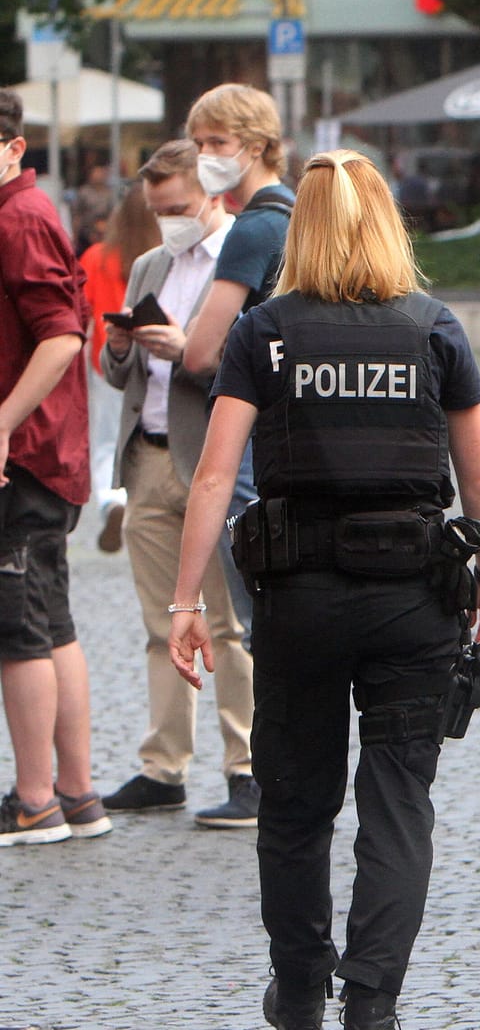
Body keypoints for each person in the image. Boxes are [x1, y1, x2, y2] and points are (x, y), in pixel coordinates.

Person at [169, 149, 480, 1030]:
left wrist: (184, 606)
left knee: (295, 801)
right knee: (398, 800)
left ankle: (299, 988)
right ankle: (373, 996)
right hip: (415, 600)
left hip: (300, 601)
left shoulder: (265, 331)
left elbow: (212, 480)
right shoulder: (433, 327)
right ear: (387, 222)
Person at [97, 141, 258, 827]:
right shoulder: (148, 266)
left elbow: (244, 372)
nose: (169, 222)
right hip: (149, 458)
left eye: (180, 209)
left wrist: (187, 353)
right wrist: (125, 347)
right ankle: (163, 765)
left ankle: (247, 765)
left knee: (225, 625)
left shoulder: (240, 263)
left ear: (212, 194)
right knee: (158, 622)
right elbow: (115, 375)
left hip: (211, 465)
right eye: (158, 211)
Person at [0, 87, 106, 846]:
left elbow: (61, 337)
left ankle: (34, 800)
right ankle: (75, 795)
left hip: (27, 454)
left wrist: (1, 423)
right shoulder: (24, 214)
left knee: (19, 630)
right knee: (51, 621)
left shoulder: (18, 217)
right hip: (45, 451)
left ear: (14, 147)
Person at [182, 82, 294, 643]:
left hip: (247, 434)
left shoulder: (252, 227)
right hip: (298, 429)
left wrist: (173, 344)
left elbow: (200, 351)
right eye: (198, 142)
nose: (205, 155)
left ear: (256, 145)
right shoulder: (301, 213)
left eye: (217, 141)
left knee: (258, 623)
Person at [78, 187, 161, 553]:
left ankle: (111, 500)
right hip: (155, 362)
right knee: (152, 436)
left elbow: (80, 318)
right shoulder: (163, 258)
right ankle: (145, 503)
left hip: (108, 363)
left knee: (107, 440)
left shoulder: (96, 257)